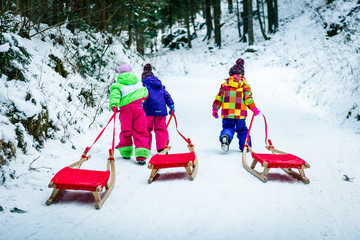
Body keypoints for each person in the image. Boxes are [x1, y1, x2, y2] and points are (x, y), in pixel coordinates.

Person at [212, 58, 260, 152]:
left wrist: (215, 110)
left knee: (228, 127)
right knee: (242, 129)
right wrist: (254, 109)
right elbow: (248, 100)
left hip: (227, 113)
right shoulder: (246, 87)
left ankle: (226, 137)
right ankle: (245, 146)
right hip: (240, 114)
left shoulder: (224, 86)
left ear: (230, 74)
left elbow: (219, 98)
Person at [109, 62, 150, 165]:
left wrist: (114, 105)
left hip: (125, 111)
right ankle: (142, 154)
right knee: (140, 130)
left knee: (126, 130)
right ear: (131, 73)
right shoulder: (138, 84)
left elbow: (115, 96)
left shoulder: (117, 85)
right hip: (139, 110)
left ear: (120, 74)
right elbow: (145, 94)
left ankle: (126, 151)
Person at [141, 63, 175, 153]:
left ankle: (145, 148)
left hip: (148, 111)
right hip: (161, 111)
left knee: (146, 129)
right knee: (161, 129)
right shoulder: (160, 85)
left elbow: (140, 97)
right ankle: (162, 148)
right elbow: (166, 95)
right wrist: (171, 105)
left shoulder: (144, 86)